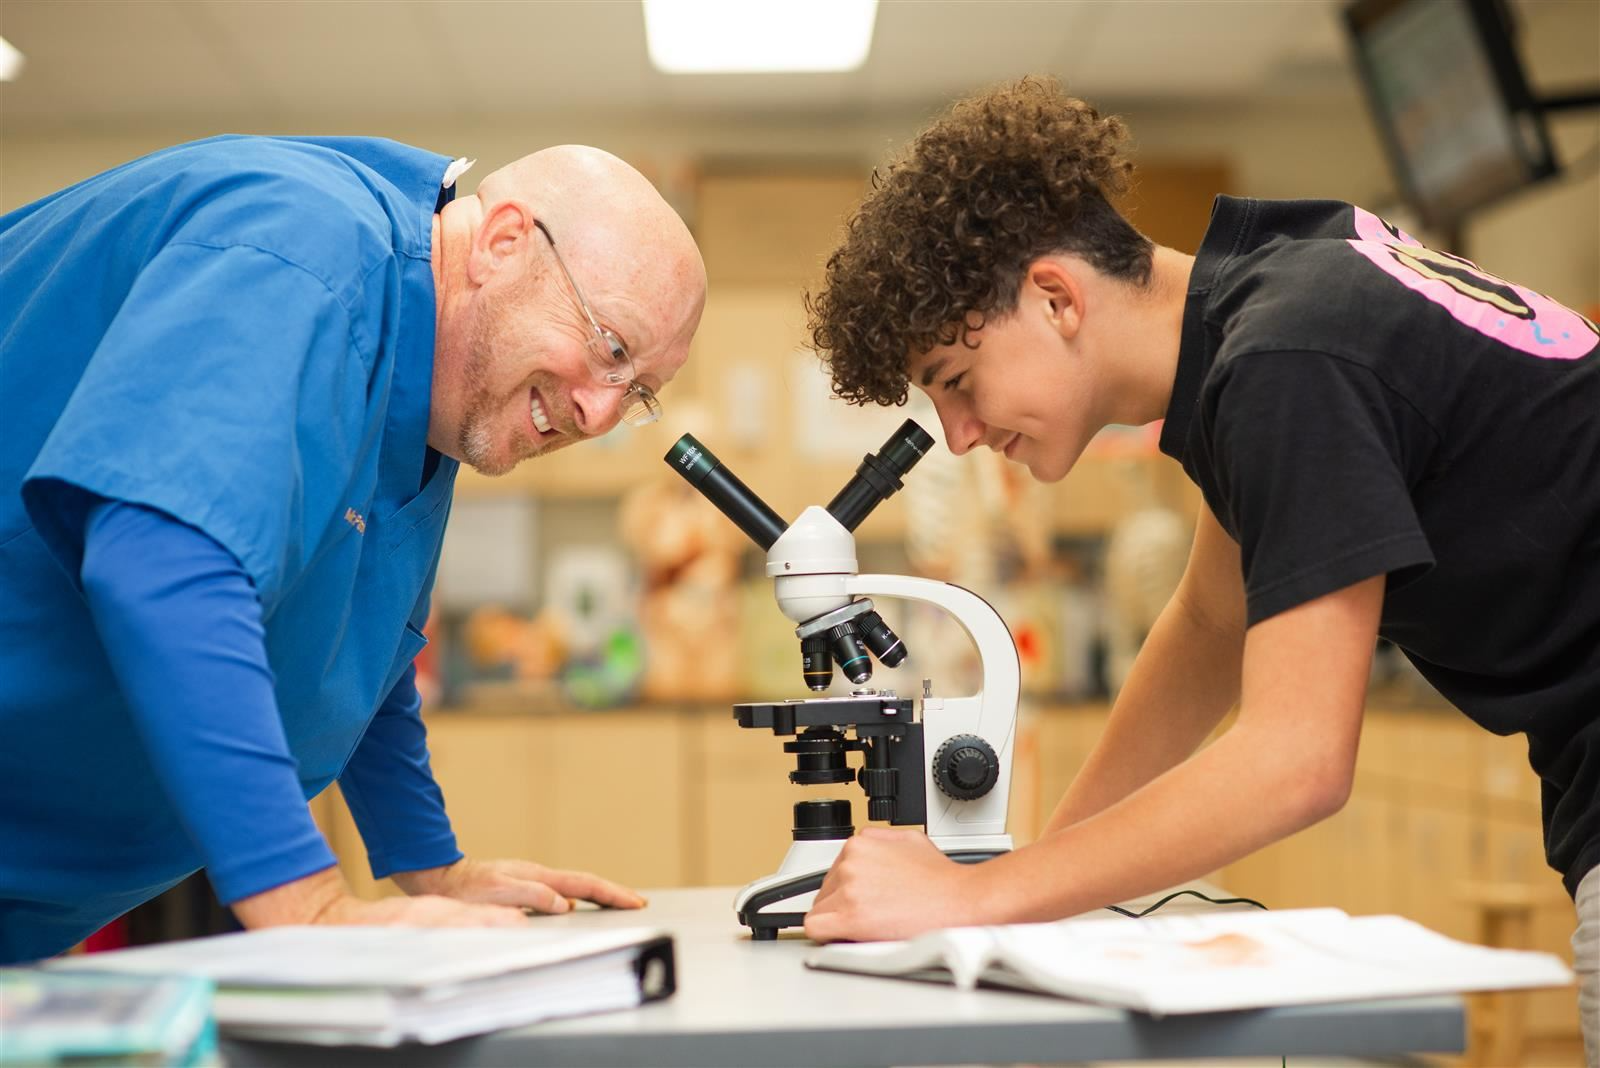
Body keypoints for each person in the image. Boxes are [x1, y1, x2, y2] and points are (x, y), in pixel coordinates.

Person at [799, 77, 1600, 1058]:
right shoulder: (1274, 292)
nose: (959, 437)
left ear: (1055, 297)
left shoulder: (1286, 358)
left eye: (957, 385)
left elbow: (1295, 762)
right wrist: (1031, 891)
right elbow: (1209, 628)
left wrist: (976, 894)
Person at [0, 135, 707, 962]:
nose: (600, 414)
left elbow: (357, 647)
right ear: (504, 241)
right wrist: (305, 906)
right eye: (611, 348)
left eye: (639, 392)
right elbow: (161, 556)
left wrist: (430, 866)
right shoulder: (300, 250)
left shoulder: (428, 398)